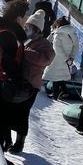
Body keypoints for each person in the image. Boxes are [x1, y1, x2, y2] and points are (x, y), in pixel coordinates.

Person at [4, 10, 55, 153]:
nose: (27, 28)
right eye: (27, 25)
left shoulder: (44, 43)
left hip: (31, 85)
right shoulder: (25, 39)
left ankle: (19, 143)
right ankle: (7, 140)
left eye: (30, 26)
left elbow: (48, 59)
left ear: (37, 29)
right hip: (18, 81)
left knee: (22, 113)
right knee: (8, 110)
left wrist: (26, 53)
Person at [0, 0, 29, 150]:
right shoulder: (7, 35)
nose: (27, 20)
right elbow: (7, 62)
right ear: (18, 18)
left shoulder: (1, 32)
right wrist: (18, 81)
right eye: (25, 17)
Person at [42, 17, 78, 99]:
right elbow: (76, 46)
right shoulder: (72, 33)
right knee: (62, 76)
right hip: (68, 59)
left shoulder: (57, 35)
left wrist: (65, 59)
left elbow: (57, 49)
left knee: (56, 77)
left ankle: (55, 95)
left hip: (57, 59)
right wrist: (71, 57)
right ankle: (64, 92)